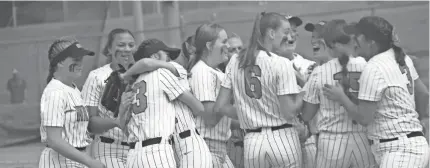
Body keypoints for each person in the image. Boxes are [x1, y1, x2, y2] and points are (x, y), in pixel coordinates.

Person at [324, 16, 429, 168]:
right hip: (413, 145)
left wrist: (341, 98)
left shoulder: (374, 67)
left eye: (357, 36)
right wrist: (417, 123)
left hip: (399, 151)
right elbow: (423, 93)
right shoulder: (401, 58)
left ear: (370, 41)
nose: (354, 41)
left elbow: (364, 117)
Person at [214, 12, 304, 168]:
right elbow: (289, 112)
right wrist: (305, 92)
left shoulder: (236, 60)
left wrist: (248, 113)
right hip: (282, 137)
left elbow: (220, 106)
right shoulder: (281, 62)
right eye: (286, 32)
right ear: (271, 33)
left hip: (252, 142)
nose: (289, 37)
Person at [120, 37, 213, 168]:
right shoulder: (162, 72)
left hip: (138, 153)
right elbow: (198, 107)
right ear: (156, 56)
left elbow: (146, 63)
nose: (170, 59)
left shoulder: (136, 85)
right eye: (167, 55)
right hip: (161, 150)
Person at [301, 19, 376, 168]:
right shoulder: (366, 66)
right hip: (362, 140)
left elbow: (307, 115)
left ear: (327, 43)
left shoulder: (320, 72)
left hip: (331, 143)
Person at [39, 37, 111, 168]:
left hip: (76, 160)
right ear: (60, 62)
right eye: (76, 60)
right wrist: (89, 161)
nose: (81, 64)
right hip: (59, 162)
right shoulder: (55, 91)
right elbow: (54, 140)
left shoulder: (73, 89)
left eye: (81, 59)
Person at [81, 28, 136, 168]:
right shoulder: (96, 77)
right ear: (109, 49)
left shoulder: (143, 75)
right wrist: (116, 122)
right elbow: (90, 124)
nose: (127, 49)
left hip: (138, 149)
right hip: (109, 149)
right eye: (121, 45)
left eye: (131, 45)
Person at [187, 23, 235, 168]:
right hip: (207, 147)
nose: (229, 46)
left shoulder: (216, 72)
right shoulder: (202, 72)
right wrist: (230, 89)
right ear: (209, 45)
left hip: (218, 149)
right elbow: (210, 118)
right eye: (224, 41)